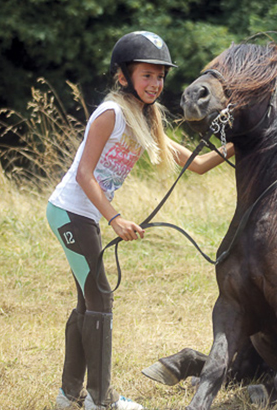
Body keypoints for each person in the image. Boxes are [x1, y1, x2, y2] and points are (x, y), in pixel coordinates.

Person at [46, 31, 234, 410]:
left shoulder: (145, 120)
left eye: (160, 77)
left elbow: (195, 165)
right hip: (70, 212)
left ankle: (69, 395)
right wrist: (115, 219)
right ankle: (101, 400)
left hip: (82, 214)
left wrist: (237, 144)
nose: (155, 84)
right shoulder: (111, 113)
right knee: (100, 299)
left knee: (88, 302)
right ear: (123, 76)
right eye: (147, 75)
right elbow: (84, 174)